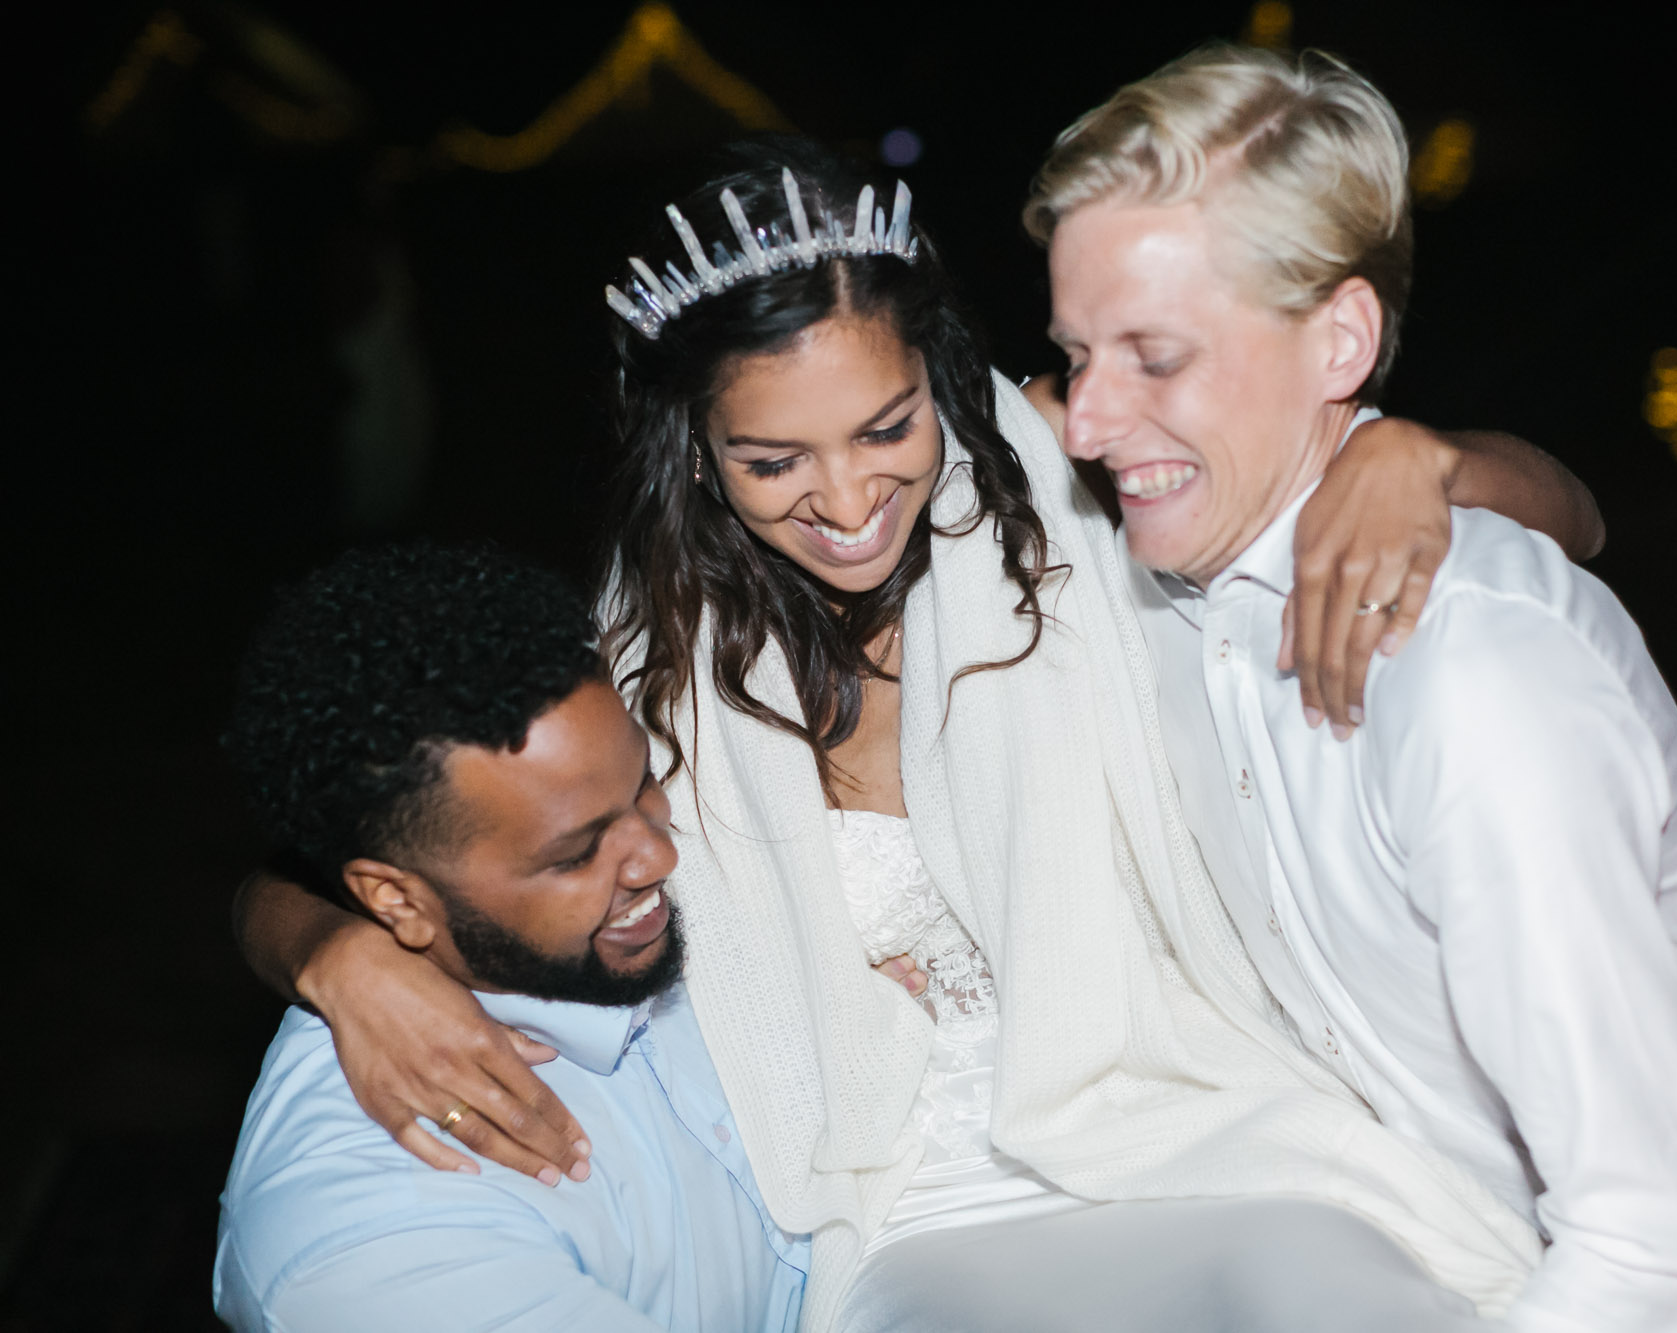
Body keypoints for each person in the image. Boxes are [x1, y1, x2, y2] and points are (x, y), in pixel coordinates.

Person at [234, 138, 1604, 1330]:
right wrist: (330, 954)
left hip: (1199, 1126)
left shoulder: (1069, 490)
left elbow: (1567, 516)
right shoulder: (641, 676)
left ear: (936, 384)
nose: (845, 499)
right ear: (695, 454)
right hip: (919, 1214)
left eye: (885, 428)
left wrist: (1394, 458)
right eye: (774, 461)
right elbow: (349, 845)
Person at [1025, 43, 1677, 1331]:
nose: (1083, 420)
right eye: (1075, 356)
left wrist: (1436, 461)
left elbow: (1655, 1252)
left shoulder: (1470, 674)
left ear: (1340, 336)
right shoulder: (1158, 554)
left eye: (1154, 356)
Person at [215, 543, 808, 1332]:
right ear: (394, 899)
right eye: (574, 855)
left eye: (644, 781)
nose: (662, 853)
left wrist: (314, 938)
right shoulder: (376, 1243)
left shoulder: (631, 821)